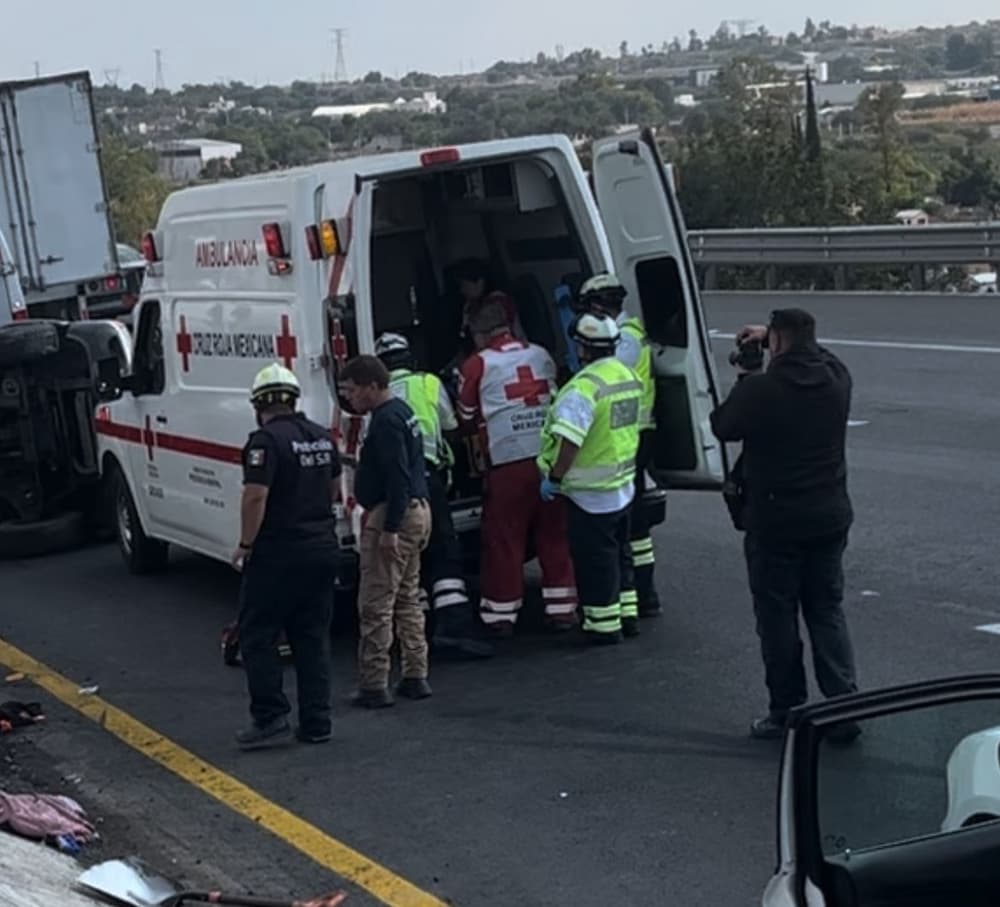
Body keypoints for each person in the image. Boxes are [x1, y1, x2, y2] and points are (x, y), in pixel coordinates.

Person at [710, 308, 859, 741]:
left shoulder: (761, 390)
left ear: (775, 342)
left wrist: (745, 373)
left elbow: (724, 426)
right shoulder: (836, 379)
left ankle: (787, 708)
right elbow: (819, 353)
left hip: (776, 521)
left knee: (777, 618)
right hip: (829, 515)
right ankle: (844, 706)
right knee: (826, 611)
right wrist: (780, 338)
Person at [232, 363, 340, 750]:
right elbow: (333, 487)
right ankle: (317, 722)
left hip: (280, 552)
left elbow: (256, 495)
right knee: (311, 637)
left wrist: (245, 544)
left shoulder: (264, 442)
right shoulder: (321, 436)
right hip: (322, 547)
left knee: (257, 634)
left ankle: (270, 715)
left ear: (258, 405)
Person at [457, 300, 578, 636]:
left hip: (508, 462)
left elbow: (464, 418)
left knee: (505, 537)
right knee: (554, 533)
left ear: (480, 334)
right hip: (550, 458)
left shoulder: (478, 364)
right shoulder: (540, 354)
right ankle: (562, 610)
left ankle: (501, 615)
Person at [374, 331, 493, 660]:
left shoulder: (378, 396)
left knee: (412, 557)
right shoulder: (428, 383)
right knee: (444, 550)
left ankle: (418, 631)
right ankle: (453, 628)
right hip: (428, 477)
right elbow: (451, 426)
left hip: (392, 485)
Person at [537, 313, 643, 644]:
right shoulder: (625, 374)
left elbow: (571, 441)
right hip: (622, 485)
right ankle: (628, 615)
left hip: (590, 494)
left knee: (596, 563)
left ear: (582, 347)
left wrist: (555, 477)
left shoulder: (583, 388)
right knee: (620, 555)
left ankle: (603, 627)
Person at [339, 354, 433, 708]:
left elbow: (397, 477)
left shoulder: (386, 422)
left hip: (395, 516)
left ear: (371, 386)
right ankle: (415, 673)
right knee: (408, 597)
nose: (349, 398)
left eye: (352, 390)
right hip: (417, 510)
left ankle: (374, 684)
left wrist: (390, 528)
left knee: (376, 602)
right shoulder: (403, 412)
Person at [578, 272, 662, 619]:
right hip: (634, 432)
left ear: (599, 306)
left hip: (630, 435)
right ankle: (639, 598)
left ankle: (636, 597)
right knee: (635, 524)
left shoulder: (623, 340)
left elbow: (605, 377)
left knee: (628, 522)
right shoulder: (633, 333)